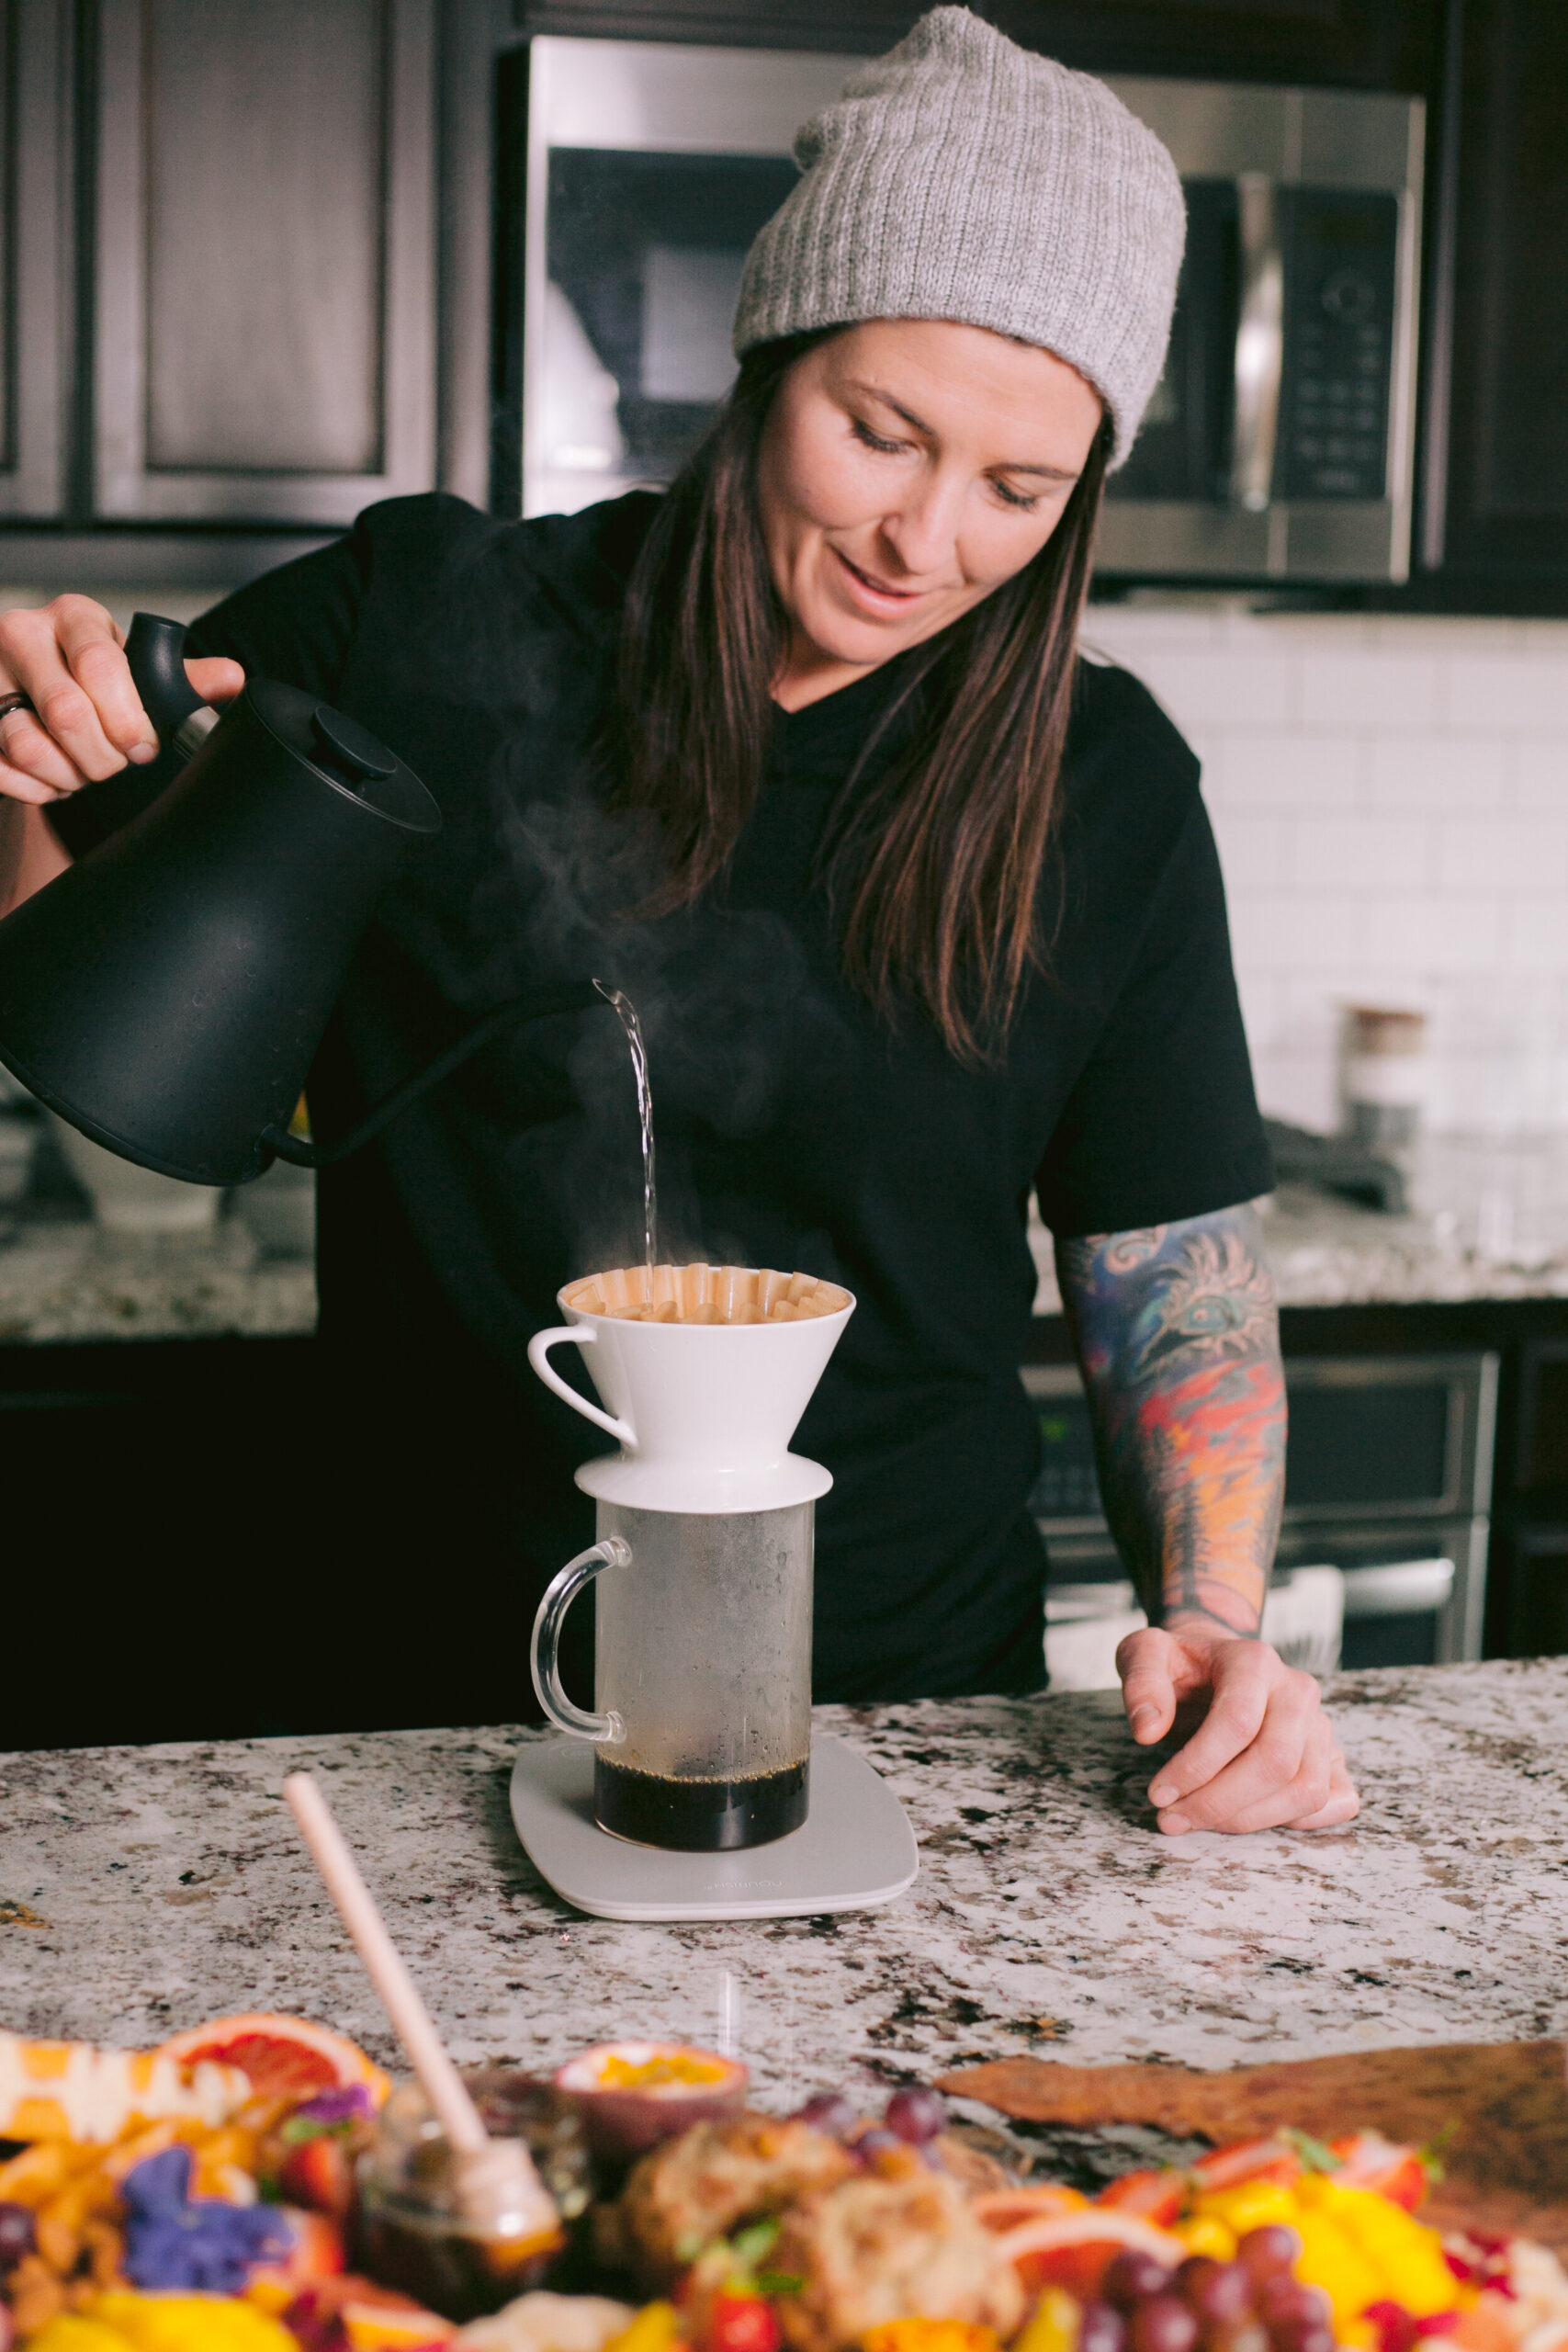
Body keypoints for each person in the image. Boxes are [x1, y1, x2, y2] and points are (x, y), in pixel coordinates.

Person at [0, 9, 1357, 1832]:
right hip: (412, 1699)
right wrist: (35, 755)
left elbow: (1170, 1278)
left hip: (895, 1708)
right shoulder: (417, 625)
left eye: (1018, 490)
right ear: (765, 358)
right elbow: (60, 944)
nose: (922, 538)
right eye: (877, 433)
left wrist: (1211, 1623)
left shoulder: (1100, 785)